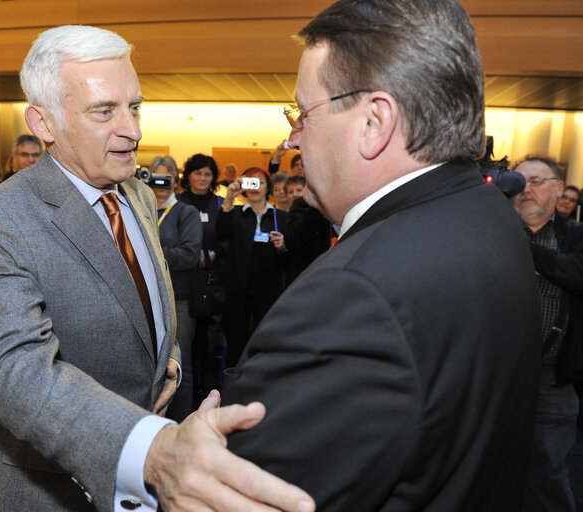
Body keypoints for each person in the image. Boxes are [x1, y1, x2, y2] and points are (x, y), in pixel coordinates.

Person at [0, 25, 313, 512]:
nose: (133, 130)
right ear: (43, 123)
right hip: (54, 490)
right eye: (105, 111)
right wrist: (148, 446)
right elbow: (11, 371)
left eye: (135, 106)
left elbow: (144, 303)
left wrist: (167, 365)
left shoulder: (138, 195)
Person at [223, 1, 542, 510]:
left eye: (302, 114)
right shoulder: (486, 213)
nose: (293, 138)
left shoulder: (355, 295)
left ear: (375, 122)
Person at [511, 155, 583, 512]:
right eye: (519, 183)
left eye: (536, 182)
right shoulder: (492, 231)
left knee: (547, 472)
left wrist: (528, 252)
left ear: (558, 188)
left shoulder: (576, 236)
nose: (526, 190)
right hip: (495, 377)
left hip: (551, 380)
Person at [149, 155, 202, 422]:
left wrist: (150, 252)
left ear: (176, 181)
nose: (159, 184)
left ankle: (182, 422)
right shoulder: (141, 209)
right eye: (155, 177)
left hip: (178, 298)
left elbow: (190, 255)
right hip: (146, 298)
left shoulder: (186, 212)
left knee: (181, 365)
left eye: (165, 178)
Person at [218, 167, 287, 369]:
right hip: (237, 288)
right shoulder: (235, 213)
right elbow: (220, 234)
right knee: (235, 342)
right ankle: (232, 388)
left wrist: (284, 246)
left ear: (268, 188)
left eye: (260, 183)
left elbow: (290, 254)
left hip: (268, 289)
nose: (255, 187)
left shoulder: (279, 217)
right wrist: (229, 197)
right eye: (251, 182)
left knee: (265, 340)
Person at [176, 153, 226, 404]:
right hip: (184, 279)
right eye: (198, 173)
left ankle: (206, 388)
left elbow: (228, 237)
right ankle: (187, 389)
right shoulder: (178, 202)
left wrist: (217, 254)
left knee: (208, 336)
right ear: (189, 176)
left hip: (211, 280)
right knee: (187, 338)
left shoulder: (220, 204)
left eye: (208, 174)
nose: (203, 178)